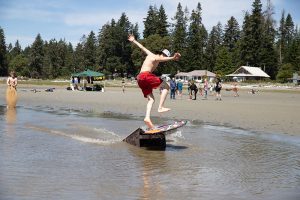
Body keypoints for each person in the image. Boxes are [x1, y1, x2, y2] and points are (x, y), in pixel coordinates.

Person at [128, 34, 181, 129]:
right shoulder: (156, 57)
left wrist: (134, 40)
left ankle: (147, 118)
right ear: (162, 54)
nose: (164, 58)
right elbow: (161, 58)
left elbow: (142, 47)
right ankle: (160, 107)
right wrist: (172, 58)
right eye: (165, 56)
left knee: (151, 99)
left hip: (140, 78)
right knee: (166, 86)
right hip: (145, 76)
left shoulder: (150, 54)